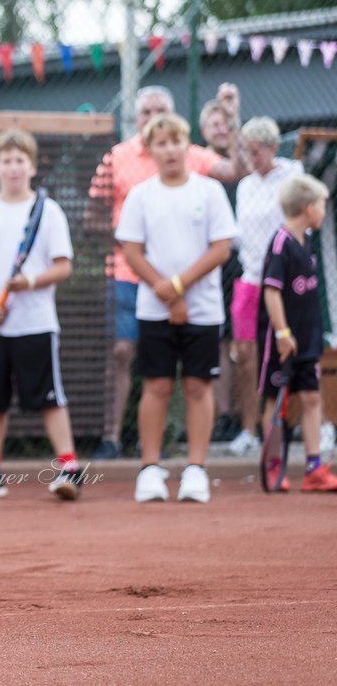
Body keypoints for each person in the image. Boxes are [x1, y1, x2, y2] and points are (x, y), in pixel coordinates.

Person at [89, 85, 248, 460]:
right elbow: (92, 217)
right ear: (137, 119)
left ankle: (192, 457)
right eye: (146, 112)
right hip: (131, 278)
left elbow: (237, 169)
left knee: (195, 378)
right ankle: (113, 438)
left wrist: (233, 121)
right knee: (125, 354)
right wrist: (137, 245)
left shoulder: (193, 156)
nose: (153, 118)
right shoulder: (117, 157)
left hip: (192, 288)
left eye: (161, 110)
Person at [0, 129, 85, 501]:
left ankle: (70, 469)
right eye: (6, 161)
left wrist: (31, 281)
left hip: (35, 324)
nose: (13, 167)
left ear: (33, 167)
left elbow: (63, 266)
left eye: (20, 160)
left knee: (48, 397)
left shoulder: (49, 210)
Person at [116, 113, 236, 503]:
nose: (169, 150)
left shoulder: (210, 192)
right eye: (161, 144)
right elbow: (131, 250)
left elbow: (221, 248)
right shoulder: (140, 196)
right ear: (149, 151)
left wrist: (179, 287)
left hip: (203, 309)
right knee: (158, 385)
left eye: (175, 142)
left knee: (199, 386)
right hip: (155, 310)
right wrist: (164, 293)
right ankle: (150, 470)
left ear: (188, 146)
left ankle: (196, 471)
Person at [225, 117, 303, 456]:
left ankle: (304, 424)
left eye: (255, 151)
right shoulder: (245, 186)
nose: (250, 158)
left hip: (284, 283)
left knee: (292, 351)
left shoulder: (292, 175)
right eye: (246, 151)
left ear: (272, 147)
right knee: (245, 354)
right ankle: (249, 430)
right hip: (250, 280)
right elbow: (238, 237)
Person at [256, 175, 337, 492]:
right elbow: (271, 293)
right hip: (281, 342)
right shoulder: (280, 244)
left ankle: (314, 468)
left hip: (308, 338)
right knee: (275, 402)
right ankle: (274, 465)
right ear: (308, 207)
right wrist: (282, 333)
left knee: (313, 396)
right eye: (322, 206)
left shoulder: (308, 242)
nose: (324, 212)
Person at [198, 89, 245, 442]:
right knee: (216, 341)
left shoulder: (240, 164)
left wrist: (234, 115)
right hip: (208, 263)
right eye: (214, 123)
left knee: (243, 343)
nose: (220, 128)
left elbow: (239, 164)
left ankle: (242, 418)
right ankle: (219, 415)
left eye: (224, 123)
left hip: (242, 263)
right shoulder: (198, 164)